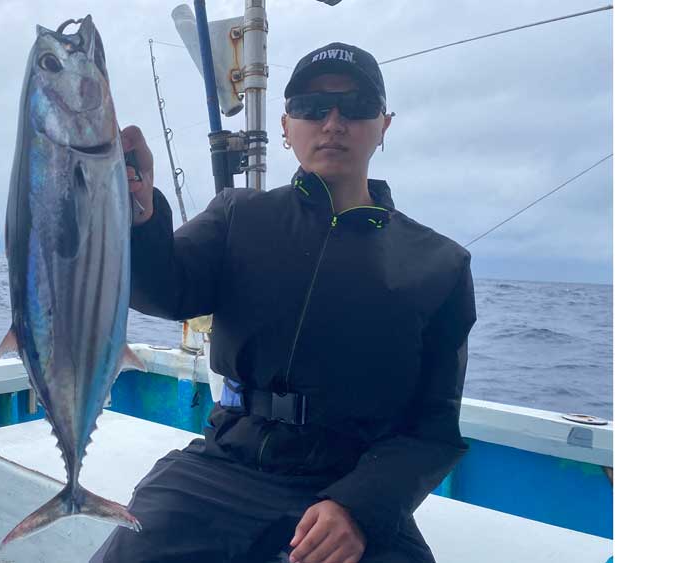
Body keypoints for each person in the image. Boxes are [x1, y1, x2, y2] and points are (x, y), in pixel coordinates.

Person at [91, 42, 477, 563]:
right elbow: (166, 290)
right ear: (285, 125)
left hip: (350, 485)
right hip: (223, 466)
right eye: (313, 108)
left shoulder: (439, 265)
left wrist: (358, 508)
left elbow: (433, 431)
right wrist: (140, 220)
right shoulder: (237, 216)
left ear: (384, 125)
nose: (333, 123)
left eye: (356, 106)